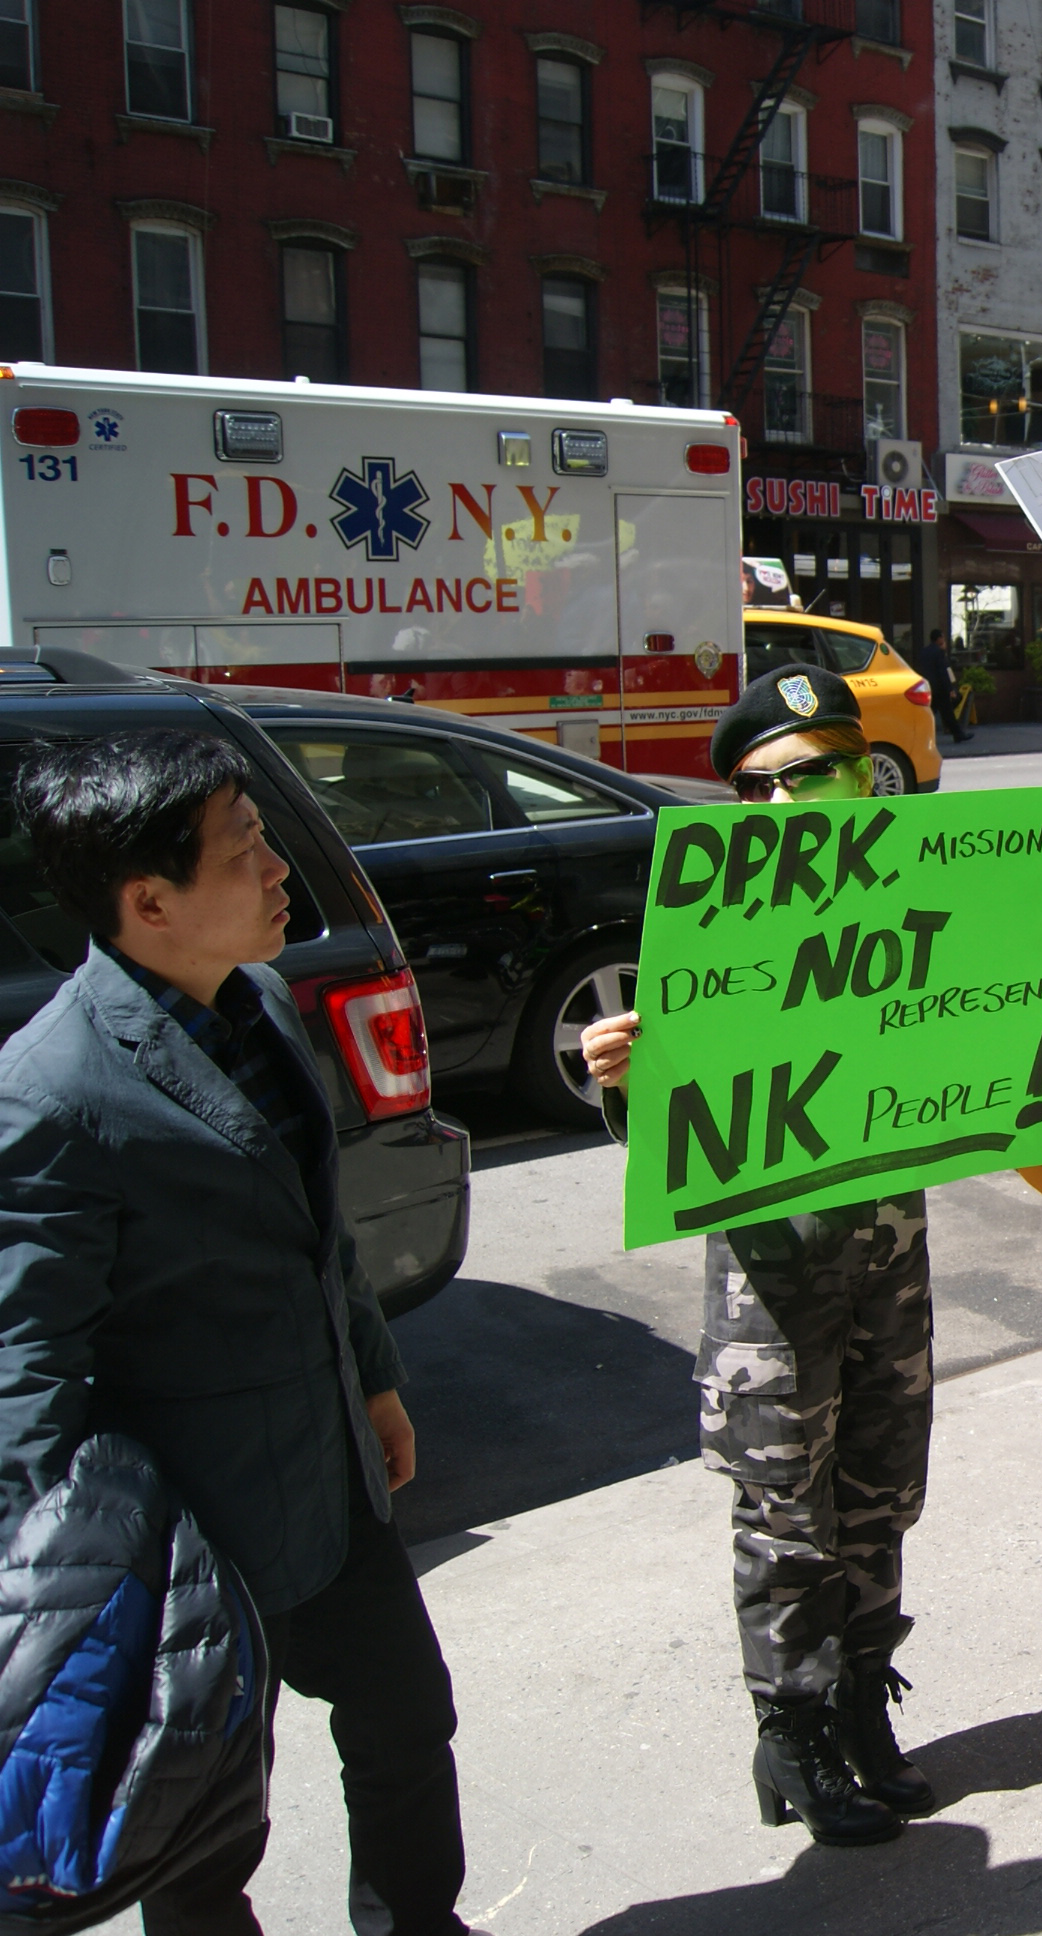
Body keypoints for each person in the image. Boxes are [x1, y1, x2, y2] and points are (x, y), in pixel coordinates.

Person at [0, 731, 466, 1928]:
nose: (279, 871)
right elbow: (26, 1368)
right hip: (196, 1534)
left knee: (408, 1719)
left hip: (334, 1474)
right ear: (150, 900)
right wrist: (57, 1599)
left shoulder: (255, 996)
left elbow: (322, 1235)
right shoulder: (52, 1090)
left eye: (264, 835)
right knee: (203, 1823)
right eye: (245, 848)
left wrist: (374, 1382)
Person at [579, 668, 1009, 1844]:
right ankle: (797, 1730)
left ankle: (865, 1700)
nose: (786, 799)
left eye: (811, 772)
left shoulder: (922, 893)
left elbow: (972, 1048)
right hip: (771, 1287)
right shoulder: (714, 914)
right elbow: (674, 1133)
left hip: (887, 1262)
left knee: (881, 1489)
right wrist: (624, 1070)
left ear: (858, 774)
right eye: (760, 783)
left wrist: (1039, 1009)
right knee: (785, 1515)